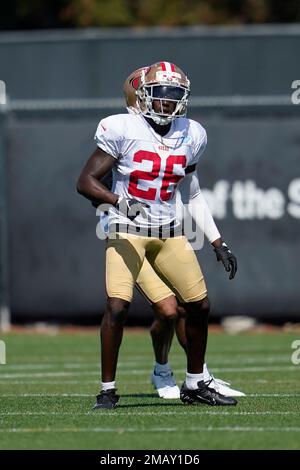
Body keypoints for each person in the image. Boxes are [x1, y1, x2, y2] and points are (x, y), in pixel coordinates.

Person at [77, 61, 239, 409]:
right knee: (117, 306)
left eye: (174, 95)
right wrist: (119, 201)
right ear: (142, 96)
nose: (166, 102)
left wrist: (217, 242)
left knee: (199, 304)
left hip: (168, 230)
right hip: (127, 229)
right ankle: (107, 390)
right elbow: (85, 183)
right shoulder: (121, 128)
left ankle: (196, 382)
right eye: (159, 94)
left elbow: (192, 195)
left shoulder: (191, 132)